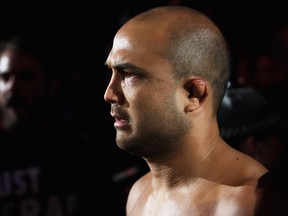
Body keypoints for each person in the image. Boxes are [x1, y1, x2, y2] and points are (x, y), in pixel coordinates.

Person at [103, 5, 287, 215]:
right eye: (112, 73)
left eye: (129, 75)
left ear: (193, 94)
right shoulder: (139, 193)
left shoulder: (250, 203)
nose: (109, 93)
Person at [0, 33, 115, 215]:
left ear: (52, 84)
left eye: (25, 77)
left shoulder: (80, 152)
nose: (12, 88)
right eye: (5, 77)